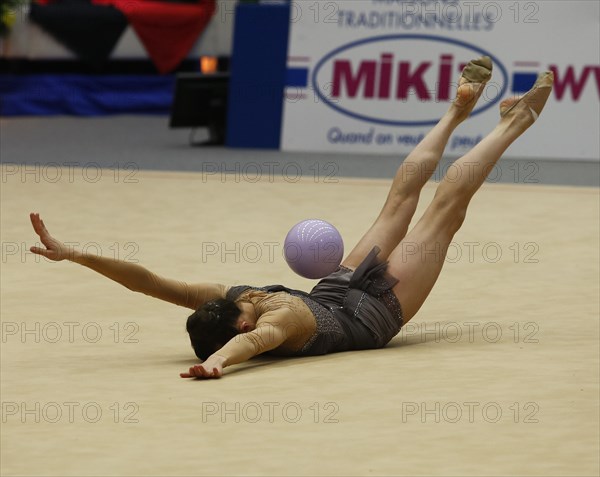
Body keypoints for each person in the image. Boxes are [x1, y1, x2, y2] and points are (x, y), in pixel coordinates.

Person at [28, 57, 554, 379]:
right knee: (415, 202)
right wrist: (221, 362)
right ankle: (465, 114)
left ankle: (508, 119)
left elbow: (151, 285)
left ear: (230, 311)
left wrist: (79, 255)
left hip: (349, 291)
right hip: (370, 308)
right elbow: (225, 329)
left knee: (436, 209)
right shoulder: (273, 320)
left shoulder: (252, 311)